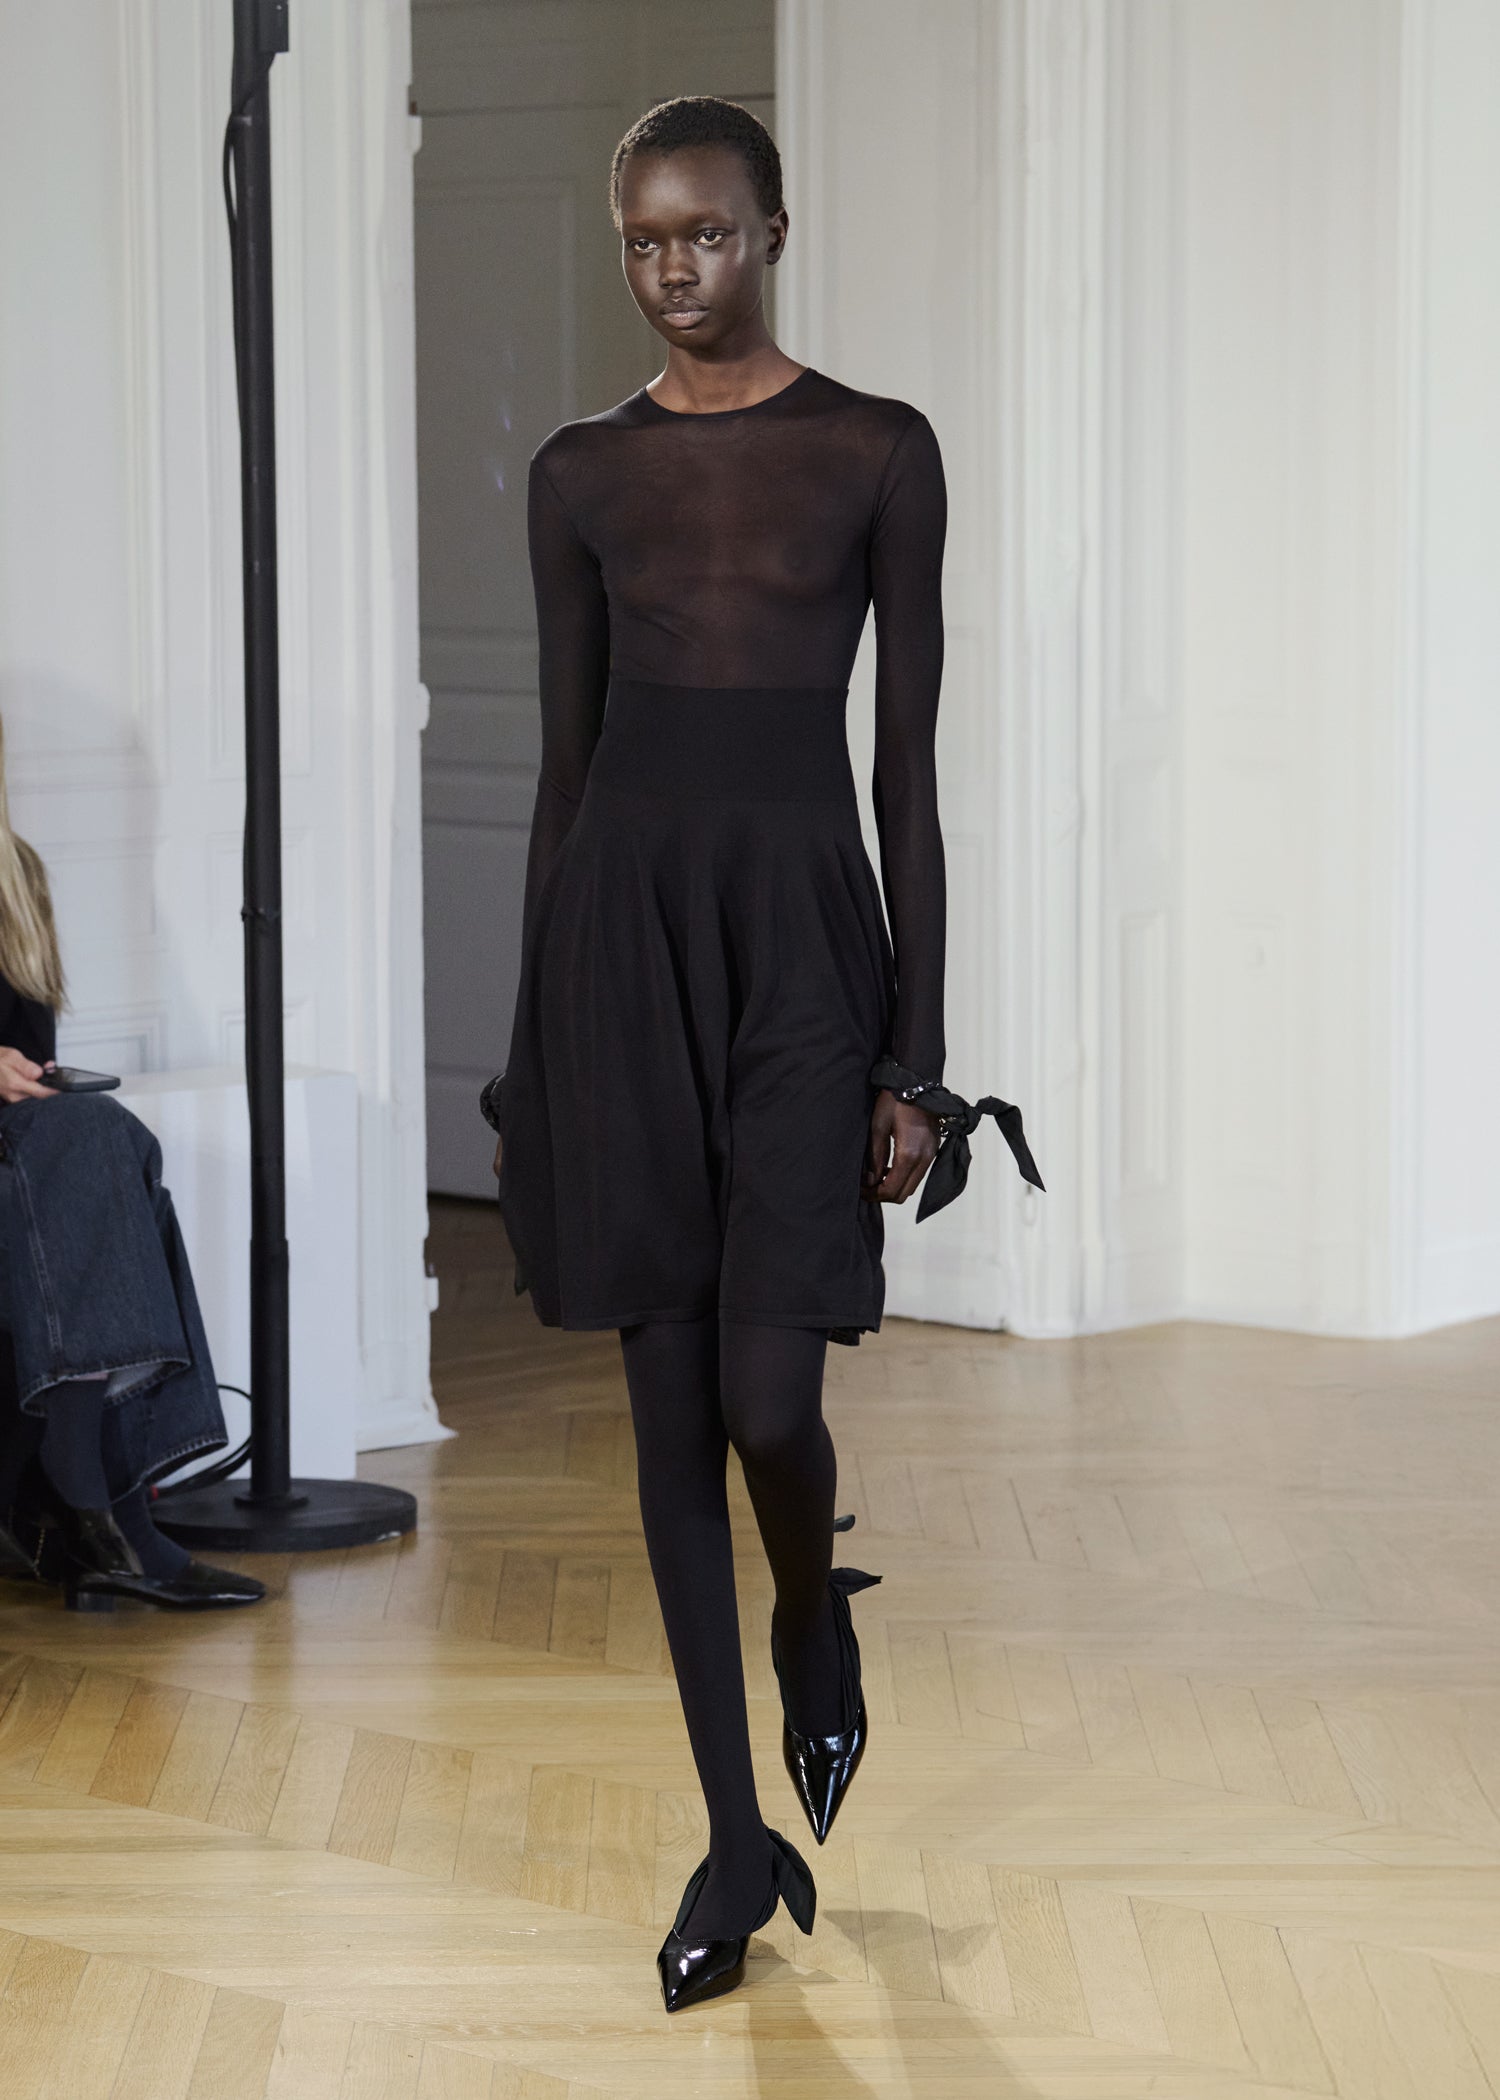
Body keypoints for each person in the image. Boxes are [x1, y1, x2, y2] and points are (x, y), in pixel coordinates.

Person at [484, 96, 1043, 2013]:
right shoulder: (578, 473)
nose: (674, 269)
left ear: (773, 233)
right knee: (665, 1418)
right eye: (645, 239)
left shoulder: (876, 451)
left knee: (770, 1400)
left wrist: (918, 1060)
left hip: (807, 946)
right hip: (620, 958)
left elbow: (909, 780)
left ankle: (815, 1610)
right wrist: (532, 1062)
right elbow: (563, 775)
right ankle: (734, 1838)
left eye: (706, 234)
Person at [0, 716, 264, 1612]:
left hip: (13, 1152)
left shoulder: (15, 874)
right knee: (99, 1147)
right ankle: (104, 1514)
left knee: (100, 1137)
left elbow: (33, 1059)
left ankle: (89, 1511)